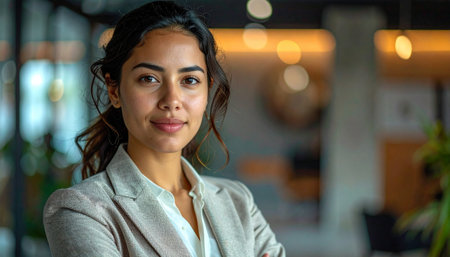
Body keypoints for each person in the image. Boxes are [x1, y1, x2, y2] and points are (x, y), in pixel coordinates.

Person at [43, 1, 285, 257]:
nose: (171, 100)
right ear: (114, 90)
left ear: (206, 90)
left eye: (189, 80)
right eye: (149, 79)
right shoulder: (81, 209)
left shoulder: (238, 202)